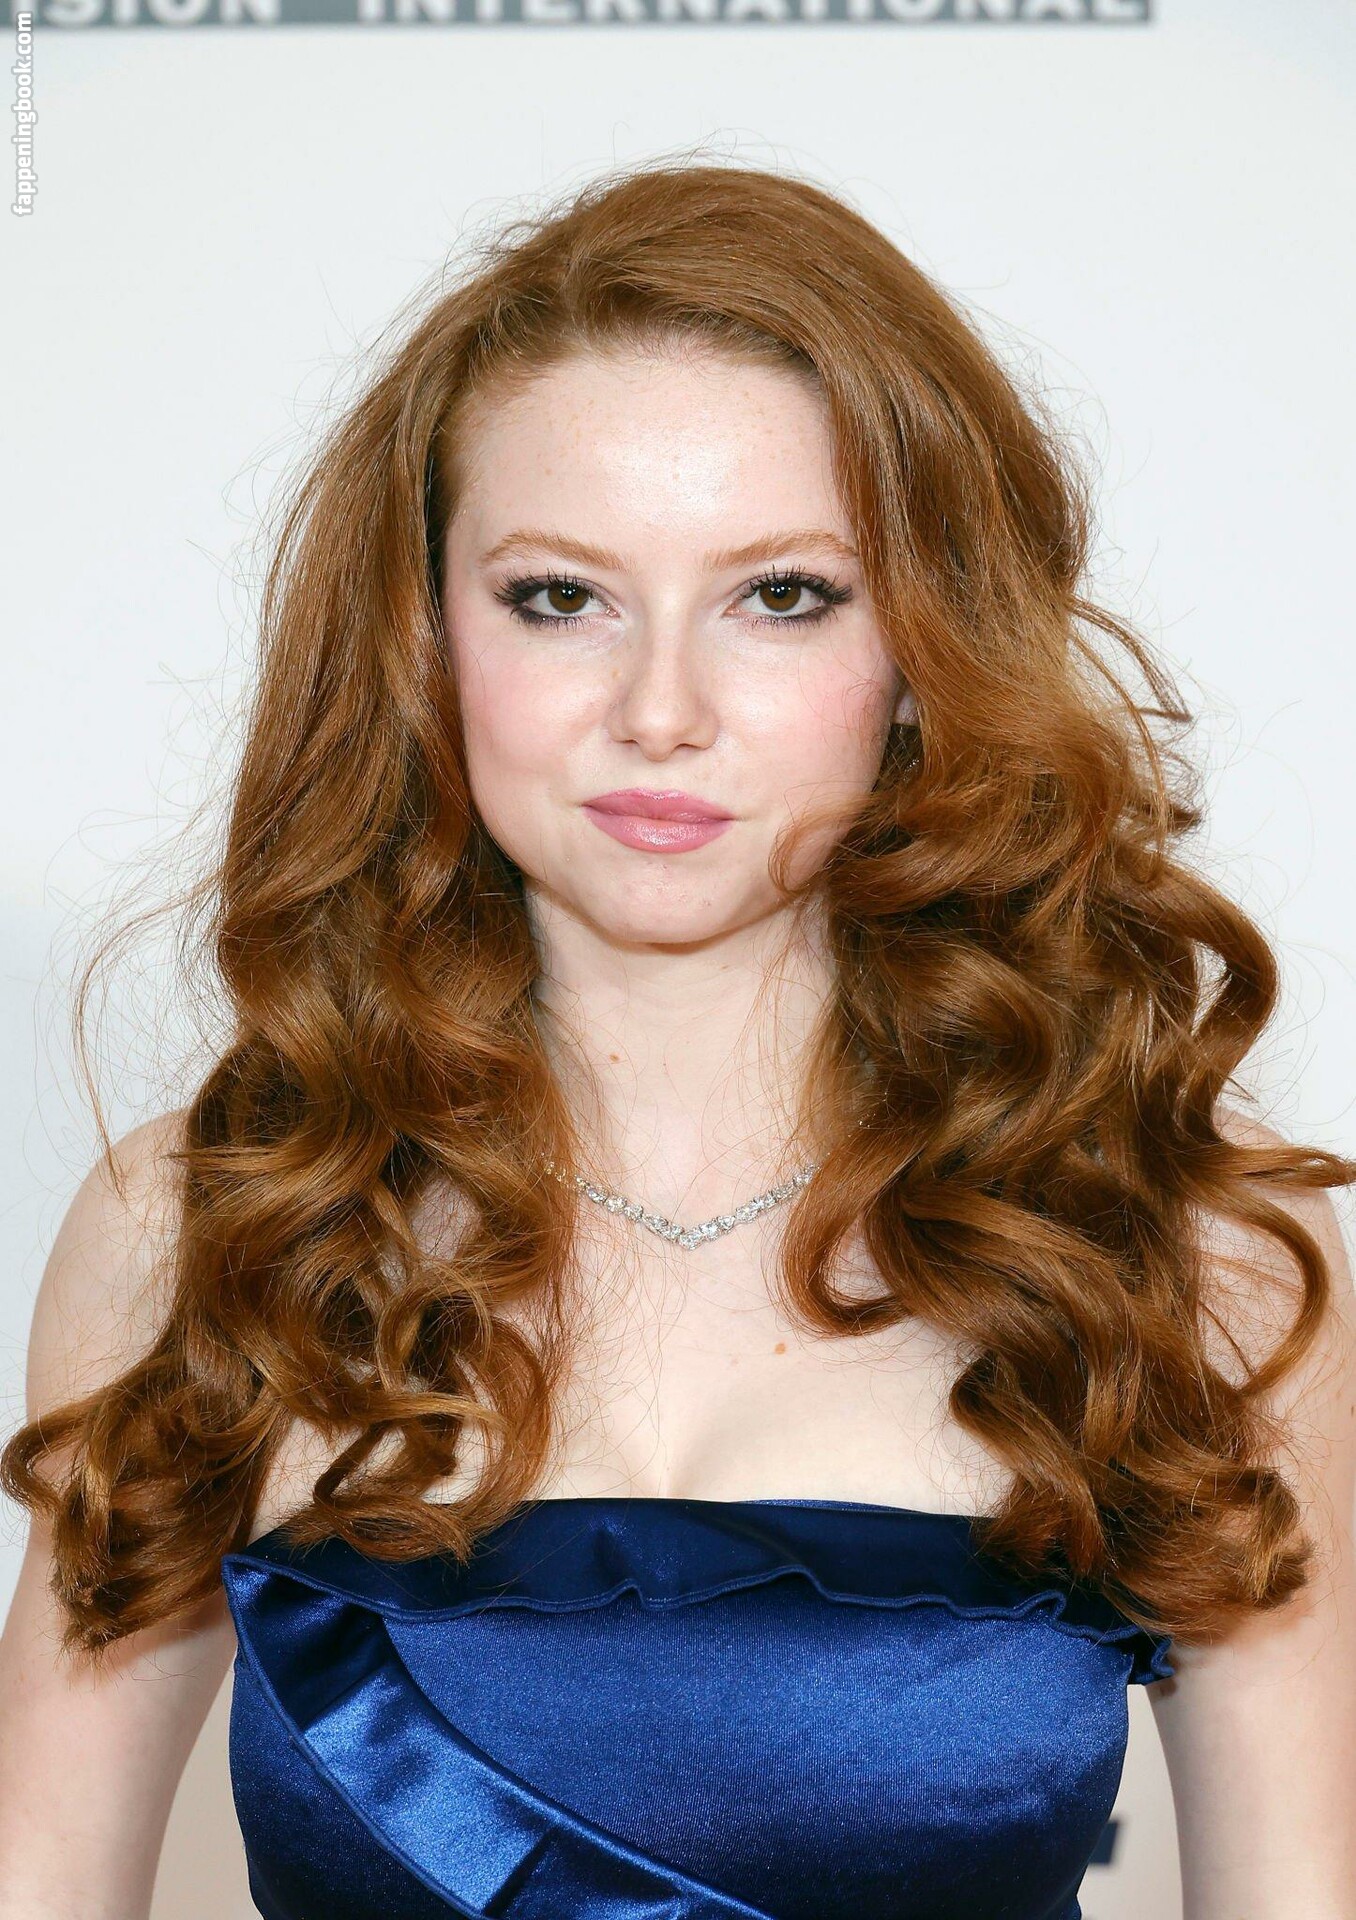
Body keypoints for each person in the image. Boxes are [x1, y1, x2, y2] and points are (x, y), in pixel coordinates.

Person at [1, 158, 1353, 1920]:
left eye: (781, 595)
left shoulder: (1188, 1259)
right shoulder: (210, 1232)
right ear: (425, 640)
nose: (660, 711)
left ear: (923, 646)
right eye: (559, 598)